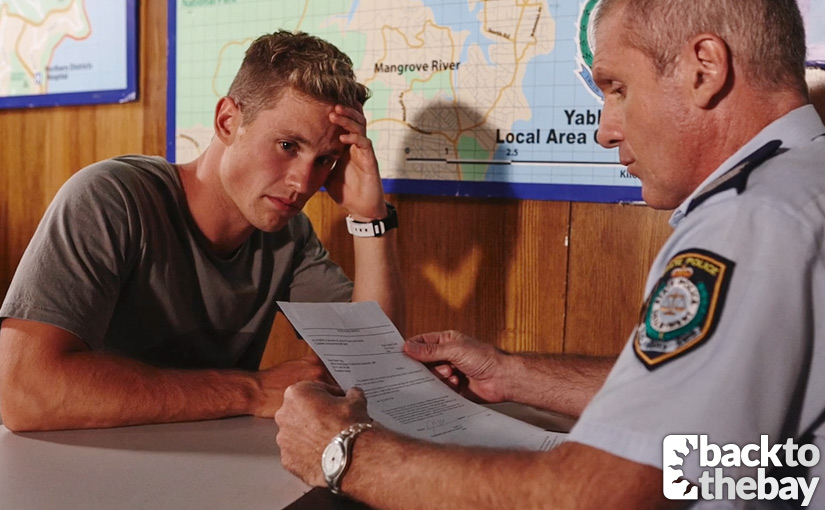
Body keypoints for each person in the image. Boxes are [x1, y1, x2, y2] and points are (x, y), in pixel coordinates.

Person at [275, 0, 825, 507]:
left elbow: (602, 496)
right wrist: (511, 375)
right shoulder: (800, 183)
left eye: (617, 88)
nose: (605, 131)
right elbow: (711, 401)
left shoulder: (749, 220)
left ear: (704, 69)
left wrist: (344, 452)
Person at [0, 31, 404, 432]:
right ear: (228, 121)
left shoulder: (289, 233)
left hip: (205, 462)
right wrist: (251, 390)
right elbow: (23, 392)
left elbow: (373, 362)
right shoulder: (110, 198)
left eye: (325, 160)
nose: (303, 183)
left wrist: (370, 217)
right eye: (287, 146)